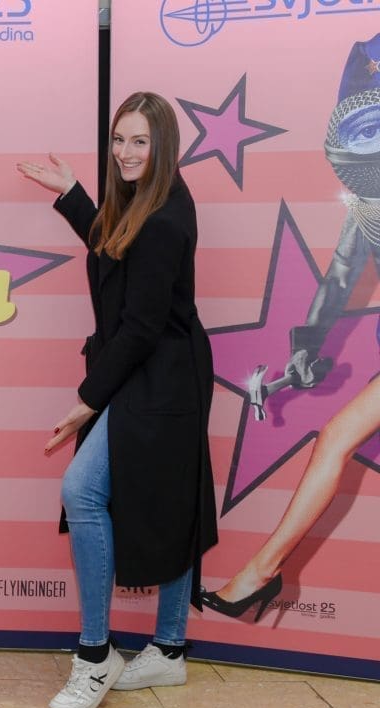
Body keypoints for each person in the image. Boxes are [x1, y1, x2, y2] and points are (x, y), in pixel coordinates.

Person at [17, 91, 217, 708]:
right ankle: (169, 649)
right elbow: (115, 247)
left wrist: (86, 401)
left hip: (162, 378)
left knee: (88, 490)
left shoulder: (165, 218)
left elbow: (140, 326)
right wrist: (74, 194)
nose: (126, 153)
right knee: (165, 498)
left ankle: (97, 655)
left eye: (140, 142)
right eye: (119, 140)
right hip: (145, 370)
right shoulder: (147, 199)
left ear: (164, 146)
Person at [202, 35, 380, 621]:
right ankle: (262, 572)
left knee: (335, 438)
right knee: (335, 439)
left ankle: (260, 573)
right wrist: (307, 345)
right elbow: (341, 274)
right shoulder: (368, 206)